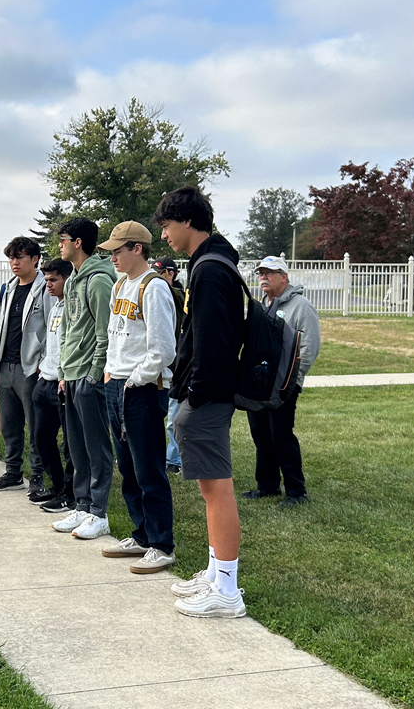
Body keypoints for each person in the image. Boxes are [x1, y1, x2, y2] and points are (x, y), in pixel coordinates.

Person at [156, 185, 247, 619]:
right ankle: (215, 572)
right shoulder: (213, 261)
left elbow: (212, 343)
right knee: (211, 489)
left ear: (188, 221)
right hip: (208, 393)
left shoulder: (209, 270)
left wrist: (194, 395)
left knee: (216, 490)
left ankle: (227, 589)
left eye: (168, 224)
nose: (165, 235)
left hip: (207, 394)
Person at [96, 223, 178, 574]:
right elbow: (118, 337)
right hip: (117, 383)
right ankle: (142, 534)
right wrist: (110, 372)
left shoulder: (154, 288)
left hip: (140, 389)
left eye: (118, 249)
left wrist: (135, 379)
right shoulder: (120, 285)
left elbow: (163, 349)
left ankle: (162, 543)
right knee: (127, 467)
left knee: (149, 468)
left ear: (138, 249)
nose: (112, 256)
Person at [50, 218, 117, 540]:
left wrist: (93, 375)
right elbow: (67, 330)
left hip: (90, 378)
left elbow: (104, 333)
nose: (59, 245)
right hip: (71, 375)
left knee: (96, 447)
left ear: (78, 242)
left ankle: (98, 512)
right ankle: (82, 504)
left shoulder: (99, 280)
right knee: (76, 446)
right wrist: (64, 372)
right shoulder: (75, 278)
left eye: (63, 239)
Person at [242, 256, 320, 507]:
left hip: (283, 387)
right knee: (261, 434)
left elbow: (309, 346)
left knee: (281, 436)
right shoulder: (263, 305)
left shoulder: (301, 306)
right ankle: (267, 485)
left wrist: (293, 381)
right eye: (261, 273)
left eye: (270, 273)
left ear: (284, 277)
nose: (263, 277)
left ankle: (297, 491)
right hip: (261, 385)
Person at [0, 236, 53, 494]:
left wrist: (43, 363)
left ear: (35, 259)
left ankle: (37, 475)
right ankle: (13, 472)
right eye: (11, 258)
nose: (14, 263)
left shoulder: (44, 289)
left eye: (19, 257)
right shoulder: (7, 289)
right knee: (11, 425)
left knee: (35, 426)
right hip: (5, 367)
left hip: (30, 368)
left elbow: (51, 328)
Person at [31, 258, 76, 509]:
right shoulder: (55, 305)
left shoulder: (73, 305)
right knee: (42, 439)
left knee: (69, 444)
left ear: (67, 278)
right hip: (45, 381)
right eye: (46, 280)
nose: (48, 284)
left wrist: (64, 375)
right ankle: (57, 486)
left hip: (63, 383)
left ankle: (70, 494)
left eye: (54, 280)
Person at [152, 257, 185, 476]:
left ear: (170, 274)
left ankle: (174, 459)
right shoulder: (154, 293)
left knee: (174, 417)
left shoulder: (179, 297)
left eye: (159, 272)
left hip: (176, 364)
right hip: (157, 366)